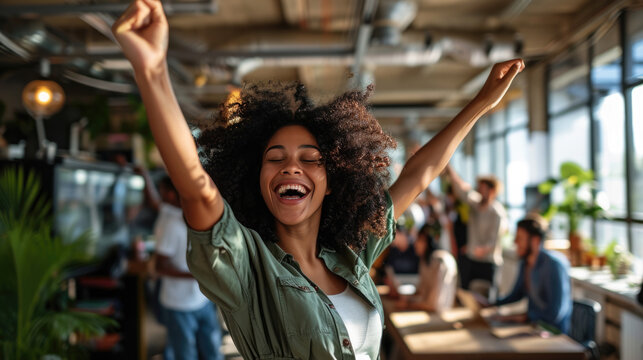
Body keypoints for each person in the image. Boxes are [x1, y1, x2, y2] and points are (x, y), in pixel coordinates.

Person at [111, 1, 524, 357]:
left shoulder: (350, 256)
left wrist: (481, 104)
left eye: (311, 159)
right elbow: (197, 189)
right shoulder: (249, 267)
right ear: (257, 181)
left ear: (333, 180)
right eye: (276, 159)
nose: (292, 167)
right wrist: (154, 72)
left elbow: (418, 175)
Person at [153, 174, 224, 360]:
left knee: (213, 350)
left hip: (203, 298)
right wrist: (195, 275)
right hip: (178, 304)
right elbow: (159, 266)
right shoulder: (171, 222)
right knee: (185, 354)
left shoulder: (199, 217)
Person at [492, 215, 572, 334]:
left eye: (519, 238)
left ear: (535, 240)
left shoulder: (554, 265)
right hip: (532, 328)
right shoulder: (525, 262)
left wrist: (523, 317)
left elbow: (555, 313)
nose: (515, 242)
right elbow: (516, 294)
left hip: (553, 334)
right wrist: (490, 303)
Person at [445, 166, 507, 299]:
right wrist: (449, 170)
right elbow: (461, 189)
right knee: (467, 296)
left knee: (488, 299)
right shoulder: (475, 204)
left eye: (483, 188)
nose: (479, 191)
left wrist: (478, 249)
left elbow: (493, 241)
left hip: (489, 263)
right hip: (471, 260)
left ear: (492, 191)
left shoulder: (497, 213)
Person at [398, 224, 457, 312]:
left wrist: (408, 304)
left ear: (429, 242)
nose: (415, 243)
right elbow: (422, 290)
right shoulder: (425, 259)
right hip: (429, 310)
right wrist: (405, 298)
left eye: (420, 240)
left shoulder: (441, 261)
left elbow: (435, 304)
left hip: (439, 315)